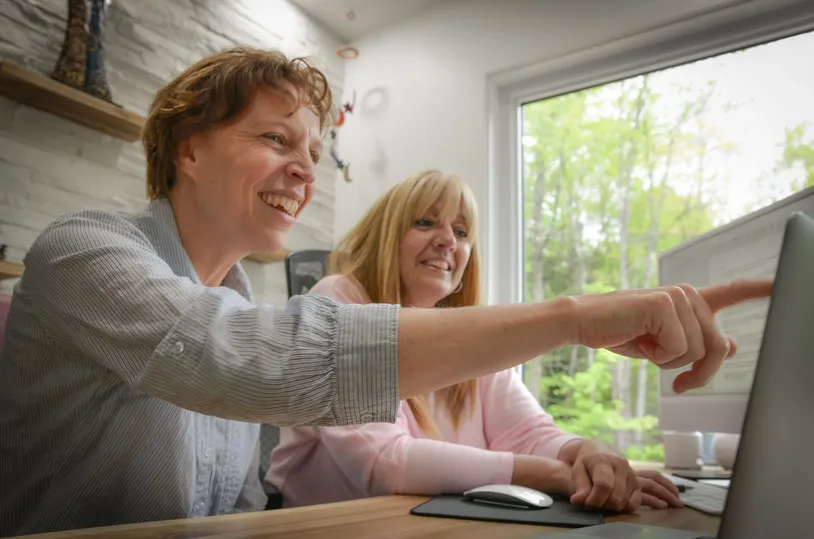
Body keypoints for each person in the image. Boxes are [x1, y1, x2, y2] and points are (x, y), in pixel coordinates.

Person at [0, 46, 769, 535]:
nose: (306, 170)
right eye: (276, 140)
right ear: (187, 148)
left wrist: (578, 450)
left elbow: (231, 510)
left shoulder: (245, 307)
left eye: (313, 149)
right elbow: (253, 360)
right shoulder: (83, 251)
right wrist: (575, 316)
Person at [266, 171, 684, 512]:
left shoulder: (465, 333)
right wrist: (556, 474)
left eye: (462, 232)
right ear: (386, 235)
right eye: (425, 222)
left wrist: (581, 452)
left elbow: (526, 432)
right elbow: (384, 463)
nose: (449, 240)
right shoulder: (337, 300)